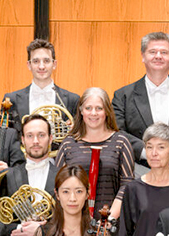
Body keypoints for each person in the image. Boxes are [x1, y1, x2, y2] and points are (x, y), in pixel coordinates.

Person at [56, 87, 139, 220]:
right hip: (75, 220)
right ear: (81, 111)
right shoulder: (68, 144)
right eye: (88, 108)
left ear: (107, 111)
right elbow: (59, 184)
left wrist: (110, 218)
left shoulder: (121, 141)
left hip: (110, 220)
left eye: (99, 108)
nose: (93, 113)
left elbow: (127, 183)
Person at [111, 31, 169, 137]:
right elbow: (118, 132)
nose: (158, 56)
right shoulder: (122, 96)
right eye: (152, 52)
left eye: (164, 52)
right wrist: (146, 147)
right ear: (143, 56)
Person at [4, 37, 83, 132]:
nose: (41, 66)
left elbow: (80, 134)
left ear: (54, 64)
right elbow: (5, 135)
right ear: (29, 65)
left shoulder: (72, 100)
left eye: (46, 61)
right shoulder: (12, 100)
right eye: (36, 61)